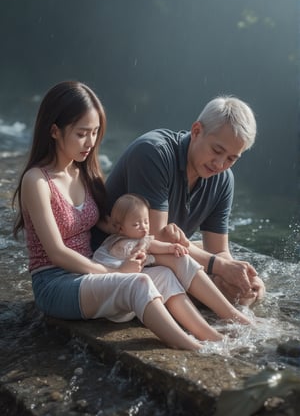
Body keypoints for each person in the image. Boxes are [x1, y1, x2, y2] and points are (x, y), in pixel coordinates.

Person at [12, 80, 233, 352]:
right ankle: (194, 348)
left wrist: (156, 245)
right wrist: (113, 271)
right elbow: (56, 253)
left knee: (164, 270)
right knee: (137, 282)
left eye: (95, 133)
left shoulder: (83, 173)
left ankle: (216, 337)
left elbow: (111, 225)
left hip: (90, 274)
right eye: (82, 134)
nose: (90, 143)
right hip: (55, 283)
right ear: (55, 131)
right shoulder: (37, 181)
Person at [98, 96, 266, 306]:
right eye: (217, 150)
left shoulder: (223, 180)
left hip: (166, 255)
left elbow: (218, 250)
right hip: (114, 257)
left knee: (237, 290)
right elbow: (155, 237)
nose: (220, 164)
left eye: (232, 159)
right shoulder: (154, 152)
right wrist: (221, 267)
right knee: (216, 276)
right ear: (196, 131)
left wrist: (245, 279)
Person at [93, 193, 251, 326]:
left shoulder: (132, 239)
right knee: (175, 260)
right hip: (115, 299)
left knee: (166, 272)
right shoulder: (123, 244)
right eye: (136, 224)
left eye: (146, 221)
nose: (143, 227)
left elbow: (150, 244)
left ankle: (205, 325)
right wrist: (170, 247)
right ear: (120, 228)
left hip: (122, 293)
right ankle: (227, 317)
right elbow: (152, 245)